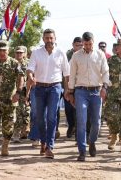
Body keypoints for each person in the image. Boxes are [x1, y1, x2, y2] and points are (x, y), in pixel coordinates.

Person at [27, 29, 70, 159]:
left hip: (55, 88)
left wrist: (67, 89)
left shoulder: (61, 52)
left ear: (55, 38)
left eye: (51, 38)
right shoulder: (36, 53)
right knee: (40, 118)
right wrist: (30, 77)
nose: (49, 40)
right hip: (39, 87)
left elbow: (66, 73)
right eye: (47, 38)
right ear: (43, 39)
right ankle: (43, 142)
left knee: (52, 117)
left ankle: (50, 147)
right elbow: (30, 69)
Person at [67, 32, 109, 162]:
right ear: (83, 44)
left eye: (90, 44)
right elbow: (72, 75)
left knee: (96, 121)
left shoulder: (100, 55)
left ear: (93, 42)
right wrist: (71, 92)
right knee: (81, 121)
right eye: (85, 44)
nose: (88, 46)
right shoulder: (76, 56)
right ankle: (82, 151)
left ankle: (92, 141)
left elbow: (105, 72)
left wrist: (105, 88)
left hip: (96, 91)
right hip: (81, 92)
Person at [64, 37, 83, 138]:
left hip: (80, 86)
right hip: (68, 85)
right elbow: (65, 73)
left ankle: (77, 132)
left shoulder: (84, 54)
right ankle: (71, 125)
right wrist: (66, 88)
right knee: (68, 109)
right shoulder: (67, 55)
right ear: (73, 45)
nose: (79, 47)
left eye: (81, 45)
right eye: (77, 45)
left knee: (77, 109)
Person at [13, 46, 30, 142]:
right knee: (17, 112)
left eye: (21, 52)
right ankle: (16, 133)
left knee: (26, 112)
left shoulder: (28, 63)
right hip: (13, 91)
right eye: (17, 52)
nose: (19, 54)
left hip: (25, 91)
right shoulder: (11, 63)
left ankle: (25, 131)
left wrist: (29, 93)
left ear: (24, 53)